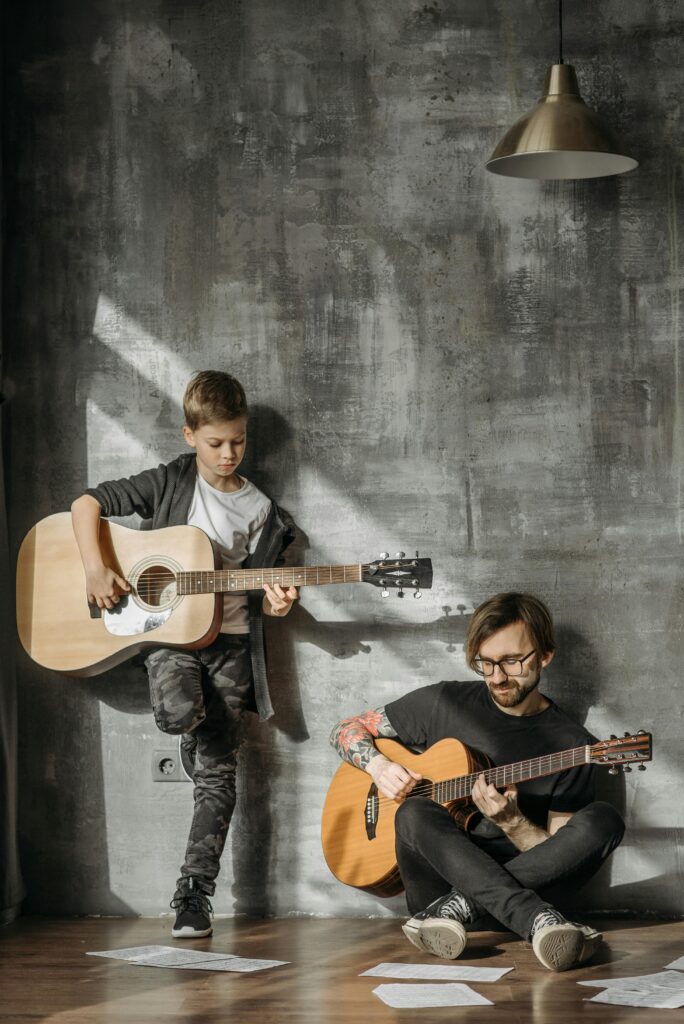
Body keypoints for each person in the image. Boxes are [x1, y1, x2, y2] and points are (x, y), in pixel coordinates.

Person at [71, 371, 298, 938]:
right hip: (169, 640)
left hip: (232, 646)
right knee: (177, 714)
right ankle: (195, 740)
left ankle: (193, 895)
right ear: (190, 433)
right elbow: (84, 505)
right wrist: (97, 569)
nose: (228, 454)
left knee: (219, 775)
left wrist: (277, 604)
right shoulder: (168, 481)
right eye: (216, 442)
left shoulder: (260, 508)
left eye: (238, 442)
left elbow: (269, 597)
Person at [329, 592, 625, 972]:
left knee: (604, 819)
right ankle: (533, 920)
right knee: (415, 810)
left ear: (545, 655)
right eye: (486, 663)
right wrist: (379, 767)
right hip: (441, 886)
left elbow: (560, 854)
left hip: (478, 906)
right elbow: (345, 728)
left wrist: (512, 823)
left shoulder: (573, 745)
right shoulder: (444, 702)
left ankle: (464, 905)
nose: (498, 677)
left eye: (512, 661)